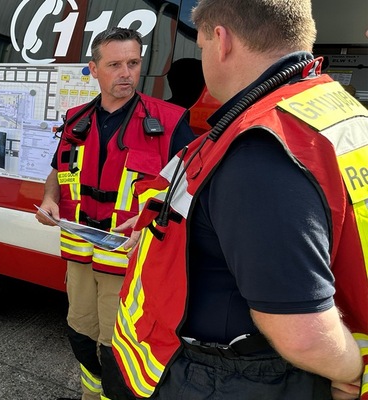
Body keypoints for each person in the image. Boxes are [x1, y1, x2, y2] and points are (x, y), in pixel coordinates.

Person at [112, 0, 368, 399]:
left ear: (221, 40)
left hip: (237, 378)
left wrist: (354, 371)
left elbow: (302, 334)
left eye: (199, 47)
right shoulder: (329, 107)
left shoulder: (260, 149)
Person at [36, 27, 196, 400]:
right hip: (79, 254)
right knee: (79, 334)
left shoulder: (169, 122)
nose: (126, 73)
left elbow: (192, 188)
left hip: (128, 263)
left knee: (116, 349)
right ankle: (90, 394)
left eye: (134, 63)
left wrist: (152, 221)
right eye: (115, 64)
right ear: (93, 69)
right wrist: (49, 199)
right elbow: (57, 171)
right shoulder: (76, 119)